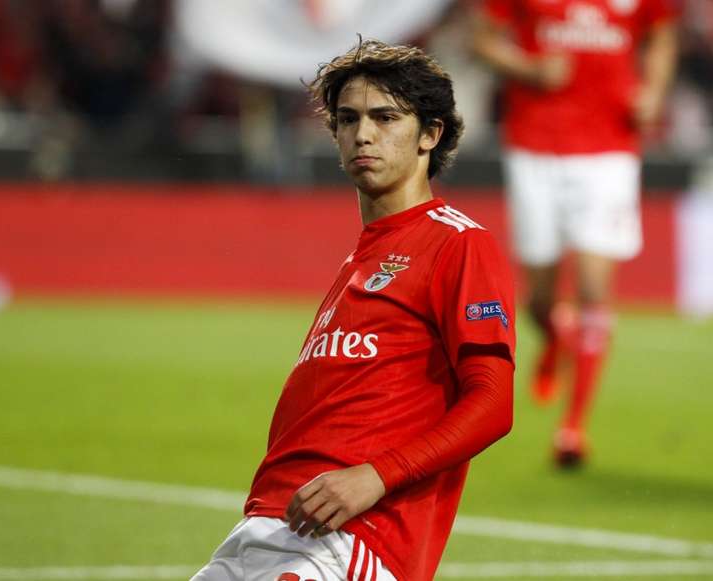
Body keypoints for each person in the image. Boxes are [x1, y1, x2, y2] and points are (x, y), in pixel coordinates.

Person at [191, 38, 516, 581]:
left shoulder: (457, 243)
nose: (363, 134)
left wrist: (375, 477)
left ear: (430, 135)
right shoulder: (362, 256)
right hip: (269, 525)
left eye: (385, 118)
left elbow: (493, 401)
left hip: (352, 539)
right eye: (348, 118)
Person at [473, 0, 679, 467]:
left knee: (593, 288)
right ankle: (556, 338)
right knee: (538, 303)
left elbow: (662, 35)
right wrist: (529, 67)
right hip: (534, 146)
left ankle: (572, 427)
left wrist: (654, 90)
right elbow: (482, 39)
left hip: (609, 148)